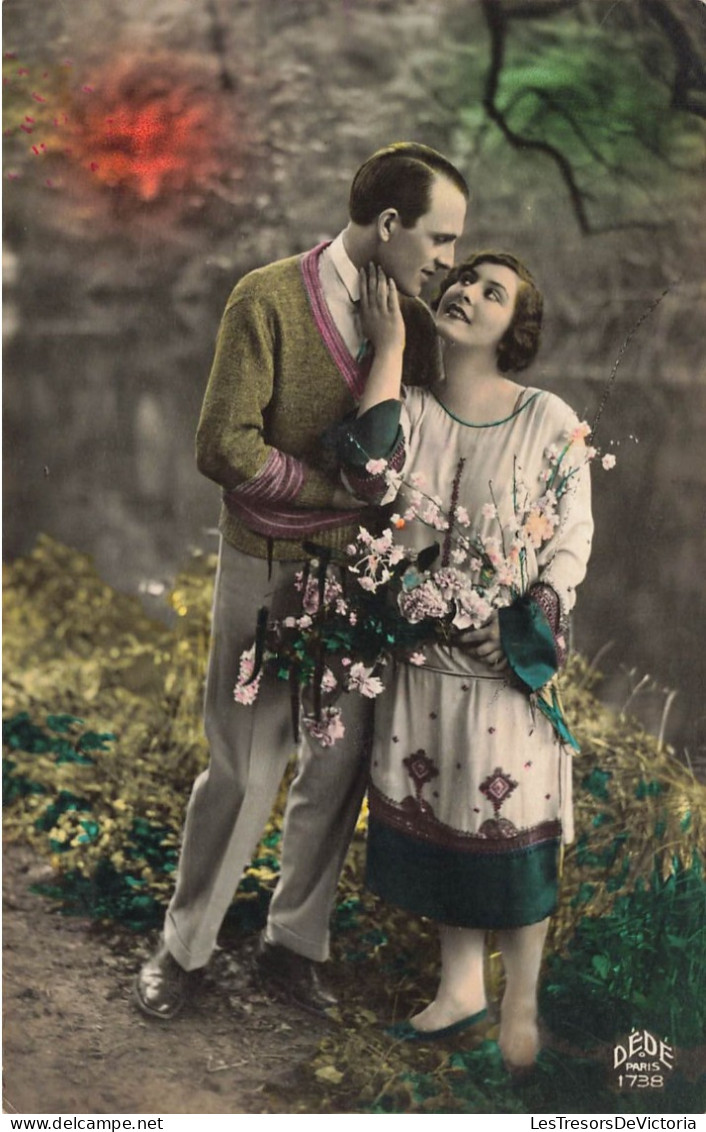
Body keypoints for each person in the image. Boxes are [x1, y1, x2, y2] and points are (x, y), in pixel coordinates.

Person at [134, 143, 469, 1020]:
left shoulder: (419, 331)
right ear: (389, 224)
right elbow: (224, 447)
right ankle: (186, 948)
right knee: (246, 767)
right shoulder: (269, 296)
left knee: (340, 764)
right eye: (440, 238)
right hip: (265, 565)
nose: (447, 260)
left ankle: (293, 947)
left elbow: (398, 475)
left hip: (360, 582)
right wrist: (335, 497)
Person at [337, 253, 593, 1069]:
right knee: (447, 819)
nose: (467, 294)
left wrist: (525, 623)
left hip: (502, 667)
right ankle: (460, 992)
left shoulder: (548, 418)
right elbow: (369, 473)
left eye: (493, 292)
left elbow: (571, 541)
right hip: (421, 666)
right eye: (464, 280)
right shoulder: (410, 407)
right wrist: (384, 348)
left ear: (514, 327)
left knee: (511, 829)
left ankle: (520, 1009)